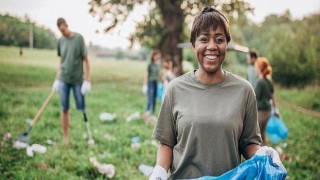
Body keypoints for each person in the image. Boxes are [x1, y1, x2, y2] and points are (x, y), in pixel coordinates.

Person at [149, 7, 282, 179]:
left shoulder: (244, 90)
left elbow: (248, 143)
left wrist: (262, 155)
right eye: (204, 39)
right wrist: (159, 169)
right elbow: (166, 143)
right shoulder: (175, 89)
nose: (212, 46)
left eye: (219, 39)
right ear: (193, 45)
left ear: (226, 44)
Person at [52, 18, 91, 145]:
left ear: (66, 25)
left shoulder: (79, 38)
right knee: (64, 108)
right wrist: (57, 79)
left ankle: (88, 133)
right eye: (60, 31)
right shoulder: (60, 41)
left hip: (77, 80)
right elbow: (61, 60)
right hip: (64, 79)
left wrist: (87, 80)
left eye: (63, 30)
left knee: (82, 106)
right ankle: (66, 138)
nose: (62, 33)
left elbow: (86, 60)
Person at [254, 57, 278, 146]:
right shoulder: (269, 80)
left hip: (260, 112)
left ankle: (261, 157)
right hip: (268, 111)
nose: (255, 68)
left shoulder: (260, 82)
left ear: (260, 68)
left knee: (256, 138)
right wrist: (275, 109)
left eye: (257, 66)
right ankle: (266, 154)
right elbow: (272, 96)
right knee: (262, 136)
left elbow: (255, 98)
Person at [143, 49, 161, 117]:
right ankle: (147, 111)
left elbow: (158, 74)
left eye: (157, 56)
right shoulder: (149, 64)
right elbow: (146, 74)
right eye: (156, 55)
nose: (157, 57)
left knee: (154, 98)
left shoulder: (157, 64)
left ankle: (153, 112)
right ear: (153, 56)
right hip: (150, 82)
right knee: (150, 97)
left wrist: (160, 81)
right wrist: (145, 85)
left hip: (156, 82)